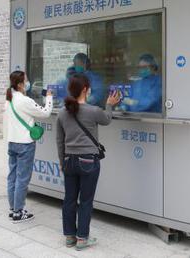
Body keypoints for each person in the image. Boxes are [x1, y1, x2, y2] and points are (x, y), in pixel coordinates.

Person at [57, 73, 120, 250]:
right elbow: (107, 119)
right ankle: (82, 238)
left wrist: (62, 162)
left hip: (69, 160)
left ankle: (70, 236)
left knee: (69, 199)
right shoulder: (93, 111)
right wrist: (110, 103)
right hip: (88, 162)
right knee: (85, 201)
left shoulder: (62, 112)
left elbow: (59, 140)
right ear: (85, 90)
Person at [3, 70, 53, 223]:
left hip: (12, 142)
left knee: (12, 176)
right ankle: (19, 212)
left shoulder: (8, 99)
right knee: (22, 179)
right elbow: (46, 113)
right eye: (26, 80)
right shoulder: (25, 101)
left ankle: (13, 209)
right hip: (25, 144)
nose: (28, 82)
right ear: (20, 84)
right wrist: (49, 97)